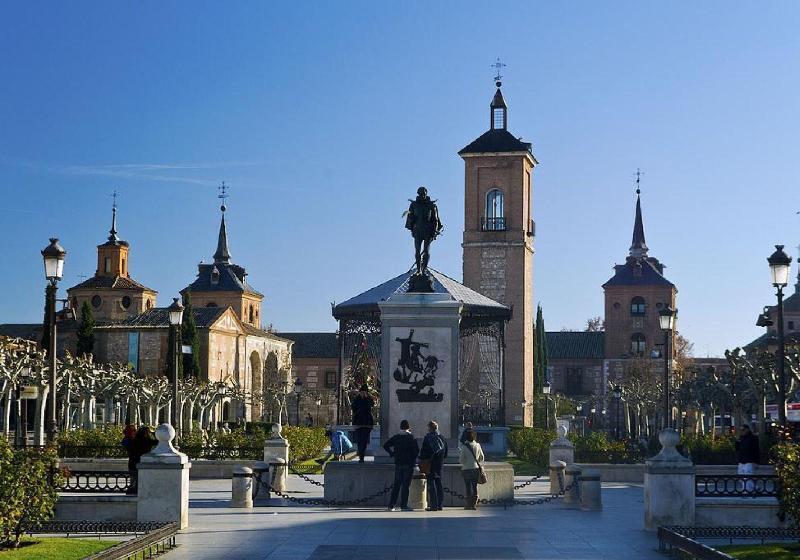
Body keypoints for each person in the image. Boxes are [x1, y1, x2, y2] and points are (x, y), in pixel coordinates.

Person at [383, 419, 419, 512]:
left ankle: (391, 505)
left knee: (397, 485)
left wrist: (392, 453)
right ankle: (403, 505)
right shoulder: (411, 438)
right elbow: (416, 451)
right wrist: (413, 460)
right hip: (408, 464)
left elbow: (385, 445)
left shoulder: (396, 437)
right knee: (405, 486)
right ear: (408, 427)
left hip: (398, 463)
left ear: (400, 427)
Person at [419, 420, 447, 511]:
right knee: (439, 484)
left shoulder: (428, 438)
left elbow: (423, 452)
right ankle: (440, 504)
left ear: (430, 428)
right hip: (439, 464)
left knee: (431, 484)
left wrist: (422, 460)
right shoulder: (442, 438)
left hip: (430, 464)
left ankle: (433, 505)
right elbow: (446, 452)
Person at [459, 429, 484, 510]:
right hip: (475, 468)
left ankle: (468, 504)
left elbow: (461, 460)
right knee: (474, 486)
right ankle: (474, 504)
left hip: (466, 469)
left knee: (468, 487)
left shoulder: (464, 446)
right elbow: (481, 458)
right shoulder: (478, 445)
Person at [129, 426, 157, 494]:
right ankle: (141, 491)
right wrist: (154, 434)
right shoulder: (147, 441)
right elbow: (157, 441)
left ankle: (132, 491)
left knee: (133, 478)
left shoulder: (134, 440)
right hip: (143, 462)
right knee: (142, 478)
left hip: (133, 461)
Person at [351, 384, 375, 463]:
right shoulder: (357, 399)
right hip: (358, 423)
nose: (363, 394)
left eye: (364, 392)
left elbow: (372, 405)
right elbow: (353, 408)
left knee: (364, 440)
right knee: (359, 440)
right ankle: (361, 456)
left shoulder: (368, 399)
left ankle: (362, 457)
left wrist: (368, 397)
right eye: (362, 392)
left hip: (367, 423)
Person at [735, 424, 760, 492]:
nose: (742, 431)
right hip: (741, 460)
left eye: (743, 430)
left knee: (747, 477)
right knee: (741, 477)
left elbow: (756, 451)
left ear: (747, 430)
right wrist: (737, 441)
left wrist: (756, 462)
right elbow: (737, 449)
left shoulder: (753, 438)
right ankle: (755, 487)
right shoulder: (741, 438)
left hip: (749, 461)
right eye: (741, 430)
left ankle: (746, 491)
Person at [121, 424, 137, 495]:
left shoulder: (127, 439)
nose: (134, 432)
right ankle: (132, 488)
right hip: (134, 460)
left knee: (133, 476)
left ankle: (132, 488)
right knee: (133, 476)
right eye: (133, 431)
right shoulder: (129, 440)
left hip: (132, 460)